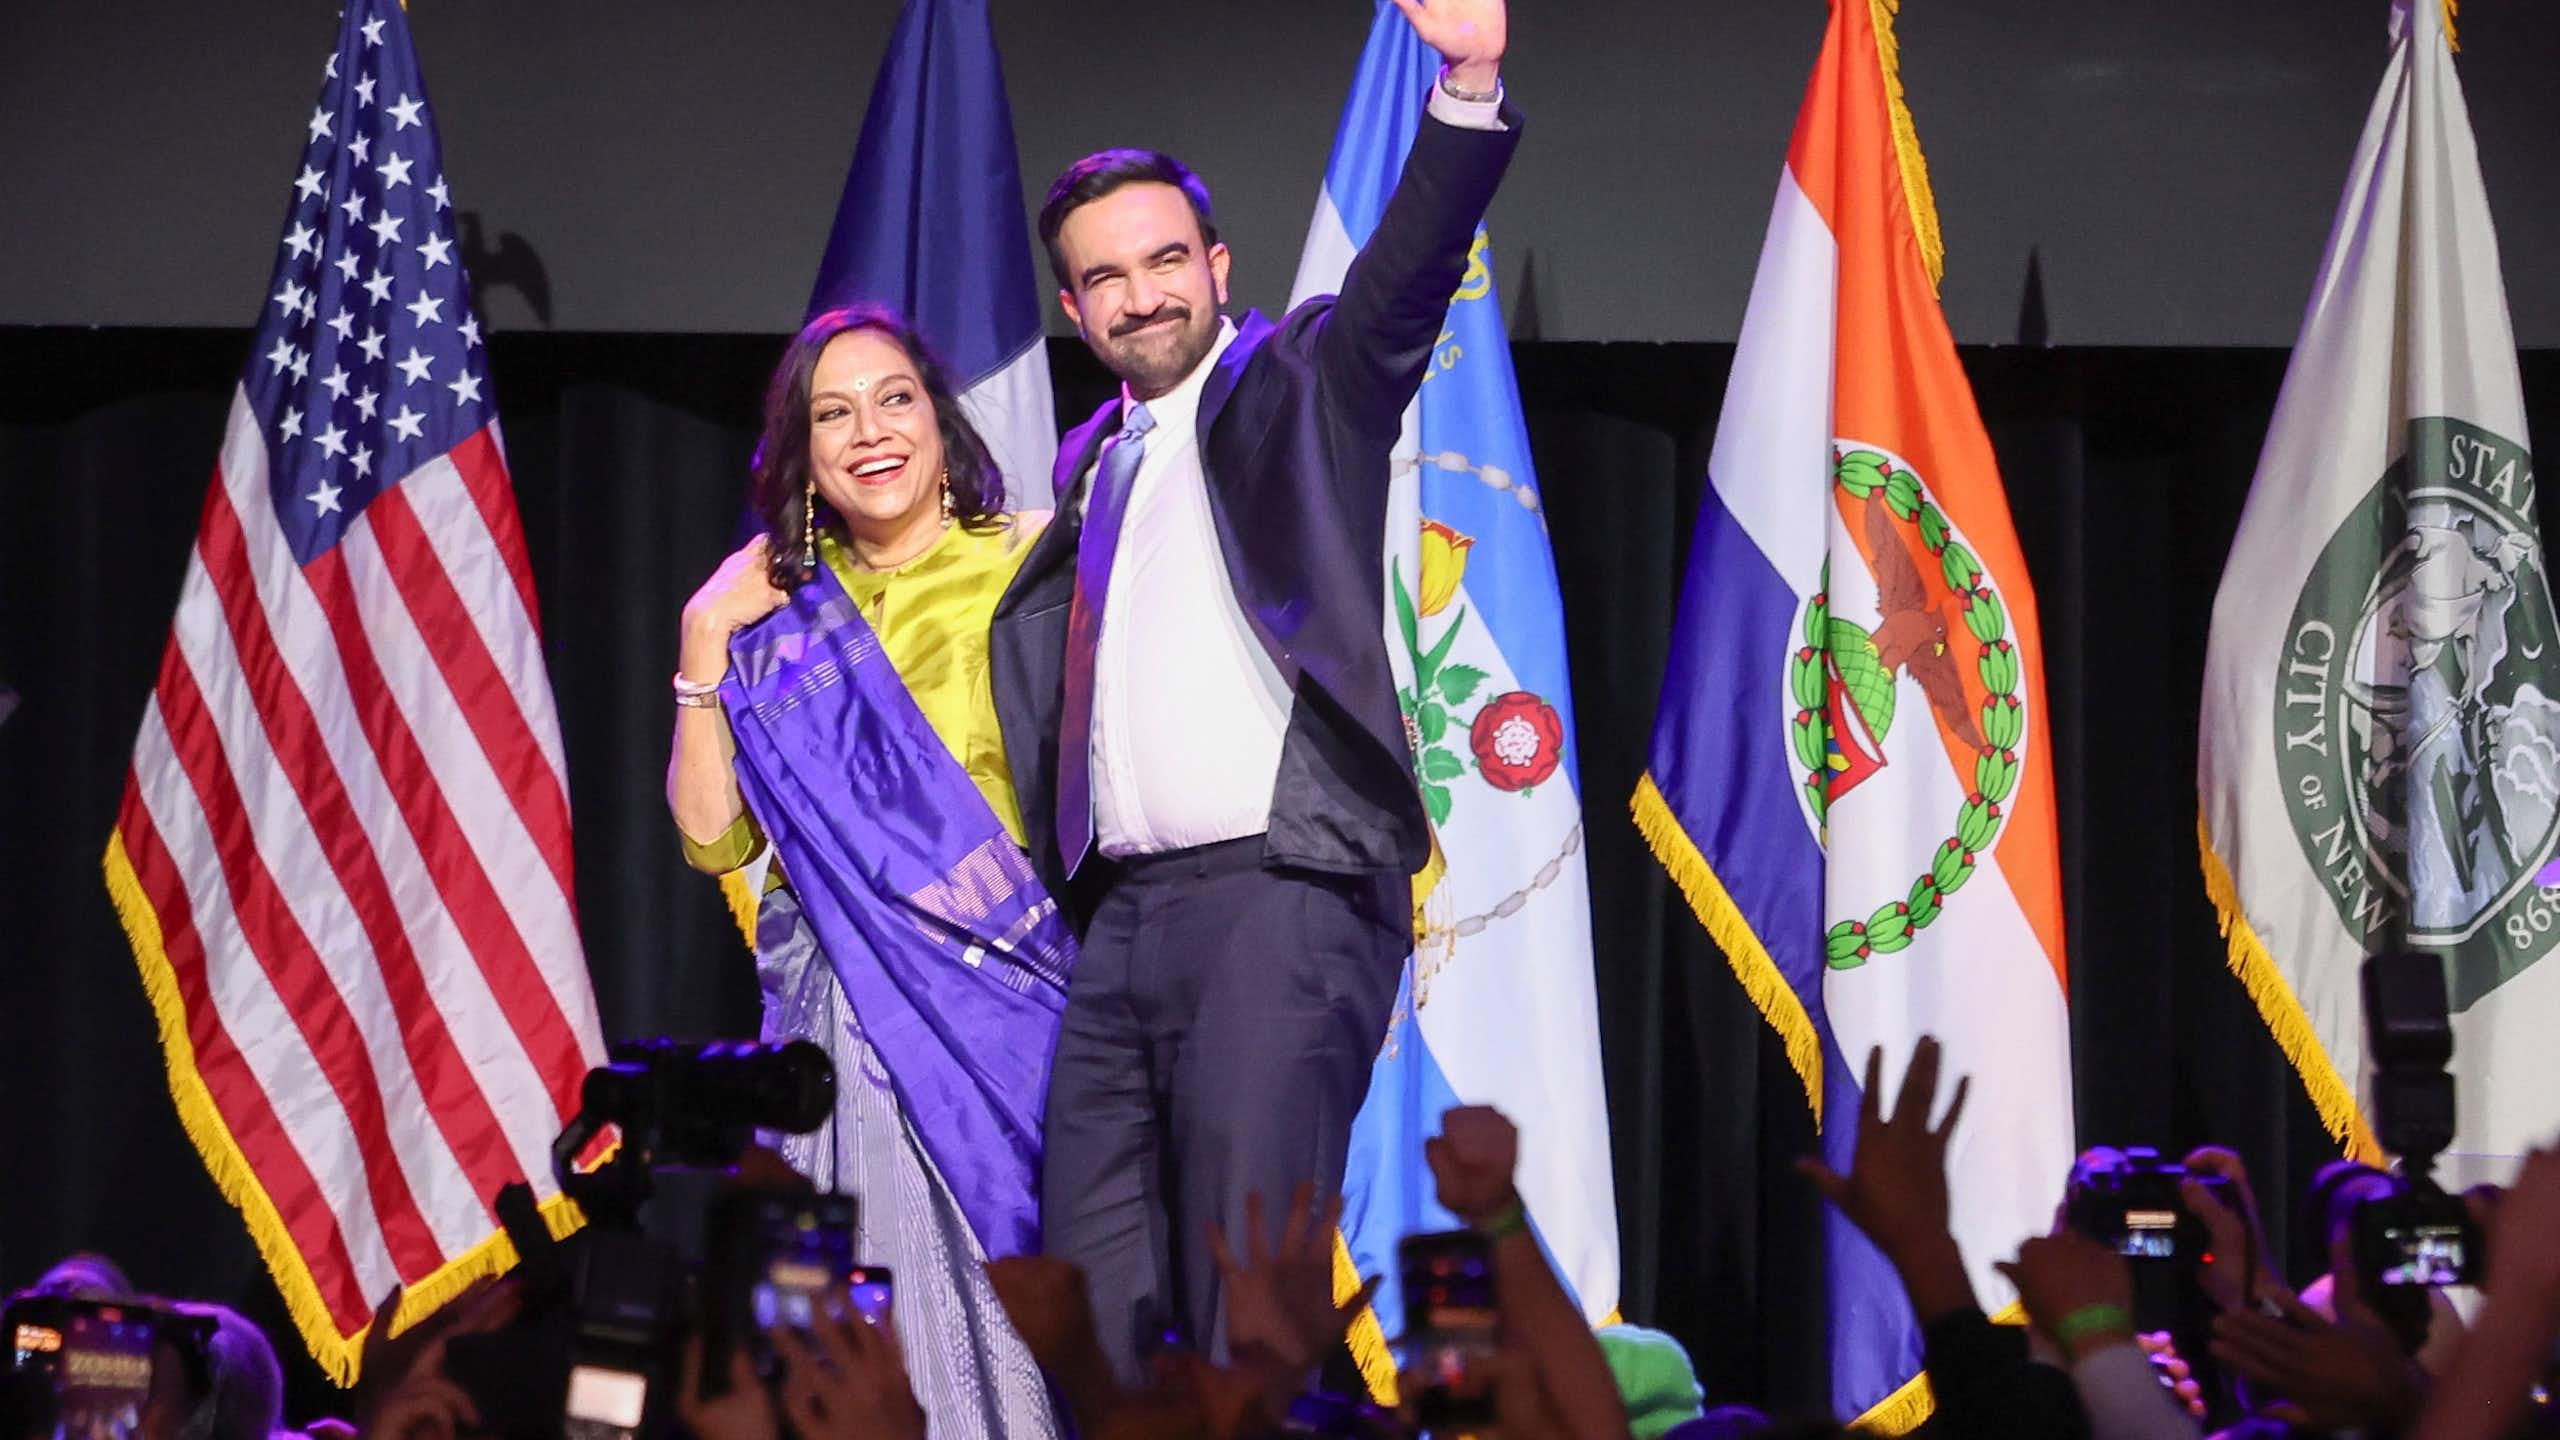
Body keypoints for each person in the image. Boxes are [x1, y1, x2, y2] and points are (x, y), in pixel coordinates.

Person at [988, 0, 1521, 1381]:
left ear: (1219, 268)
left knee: (1248, 1296)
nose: (1141, 294)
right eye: (1105, 277)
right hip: (1123, 924)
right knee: (1089, 1295)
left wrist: (1466, 84)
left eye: (1167, 260)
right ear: (1073, 305)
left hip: (1279, 901)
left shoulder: (1302, 385)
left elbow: (1402, 288)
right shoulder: (1095, 466)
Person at [669, 305, 1073, 1440]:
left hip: (1008, 1011)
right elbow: (712, 840)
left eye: (893, 398)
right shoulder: (774, 618)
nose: (868, 432)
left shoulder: (1040, 564)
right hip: (835, 1013)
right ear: (801, 454)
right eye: (830, 414)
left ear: (941, 422)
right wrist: (704, 645)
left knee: (1010, 1297)